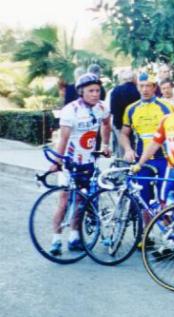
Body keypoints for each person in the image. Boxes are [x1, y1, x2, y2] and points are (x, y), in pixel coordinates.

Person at [49, 73, 112, 255]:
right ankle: (56, 239)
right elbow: (64, 138)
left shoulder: (101, 108)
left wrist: (105, 144)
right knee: (63, 200)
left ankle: (75, 236)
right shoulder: (71, 110)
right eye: (90, 91)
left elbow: (107, 124)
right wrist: (57, 161)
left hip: (88, 162)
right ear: (81, 92)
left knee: (81, 201)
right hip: (70, 163)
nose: (95, 94)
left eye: (97, 90)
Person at [120, 71, 174, 215]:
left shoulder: (166, 107)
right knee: (143, 199)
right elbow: (124, 134)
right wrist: (127, 149)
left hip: (163, 159)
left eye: (148, 86)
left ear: (155, 87)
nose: (145, 89)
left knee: (165, 199)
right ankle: (145, 236)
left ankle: (169, 234)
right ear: (137, 87)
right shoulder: (131, 109)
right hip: (141, 160)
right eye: (141, 86)